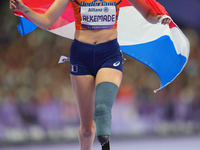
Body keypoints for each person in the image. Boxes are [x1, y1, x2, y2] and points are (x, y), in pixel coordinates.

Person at [9, 0, 171, 149]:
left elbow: (148, 14)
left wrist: (158, 19)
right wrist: (25, 10)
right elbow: (47, 20)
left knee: (102, 108)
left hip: (109, 56)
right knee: (87, 130)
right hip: (81, 57)